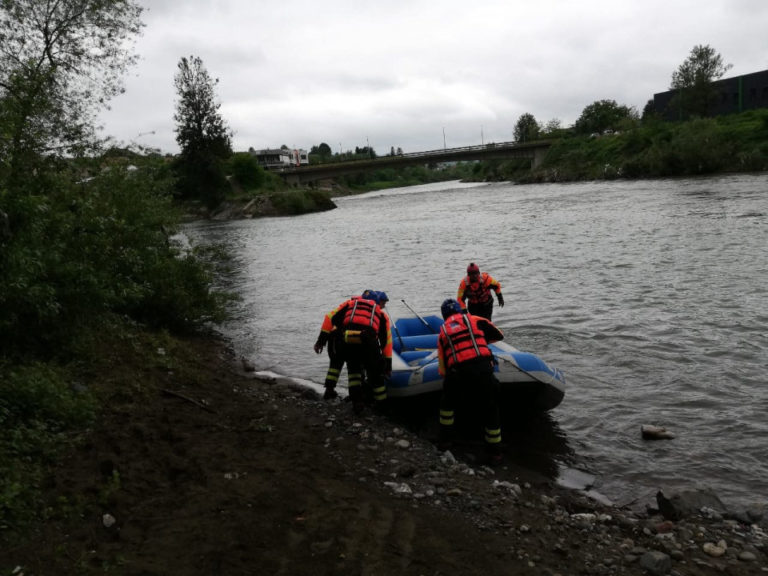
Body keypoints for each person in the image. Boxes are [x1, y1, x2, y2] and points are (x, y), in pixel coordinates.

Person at [436, 298, 505, 464]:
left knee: (447, 406)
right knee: (491, 409)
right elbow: (499, 335)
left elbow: (442, 368)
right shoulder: (475, 320)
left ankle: (445, 441)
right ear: (460, 311)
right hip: (482, 369)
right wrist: (479, 341)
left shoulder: (443, 331)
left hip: (457, 373)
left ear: (444, 315)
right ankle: (495, 453)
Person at [314, 292, 392, 413]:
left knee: (352, 370)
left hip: (345, 341)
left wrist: (321, 341)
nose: (383, 306)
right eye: (383, 303)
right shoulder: (380, 314)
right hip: (367, 343)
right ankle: (381, 405)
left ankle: (356, 402)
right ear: (377, 301)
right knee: (376, 374)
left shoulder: (351, 304)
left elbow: (332, 318)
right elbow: (386, 341)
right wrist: (387, 365)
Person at [314, 289, 376, 400]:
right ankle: (333, 391)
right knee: (343, 365)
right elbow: (329, 318)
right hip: (337, 338)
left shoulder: (355, 305)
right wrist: (321, 342)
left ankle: (336, 391)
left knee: (344, 366)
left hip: (344, 338)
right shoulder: (350, 305)